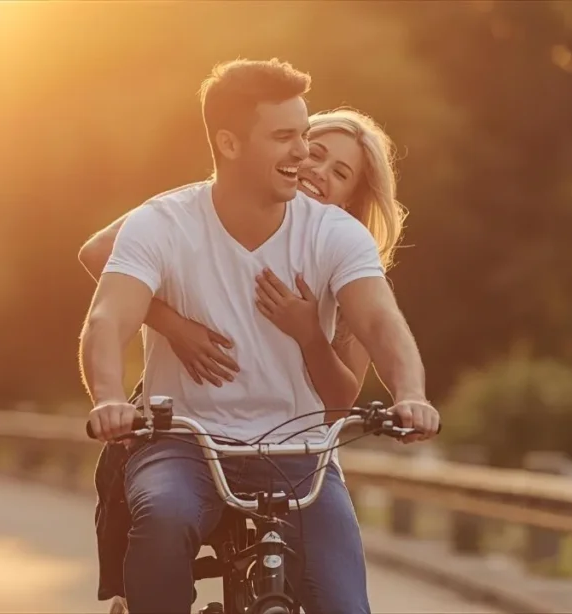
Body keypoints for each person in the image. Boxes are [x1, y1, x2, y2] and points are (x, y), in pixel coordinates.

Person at [79, 58, 439, 614]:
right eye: (287, 138)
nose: (303, 154)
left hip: (299, 454)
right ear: (229, 143)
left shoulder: (337, 236)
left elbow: (380, 322)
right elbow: (107, 317)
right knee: (162, 516)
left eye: (305, 135)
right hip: (184, 444)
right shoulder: (163, 222)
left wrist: (411, 394)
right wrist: (108, 398)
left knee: (345, 605)